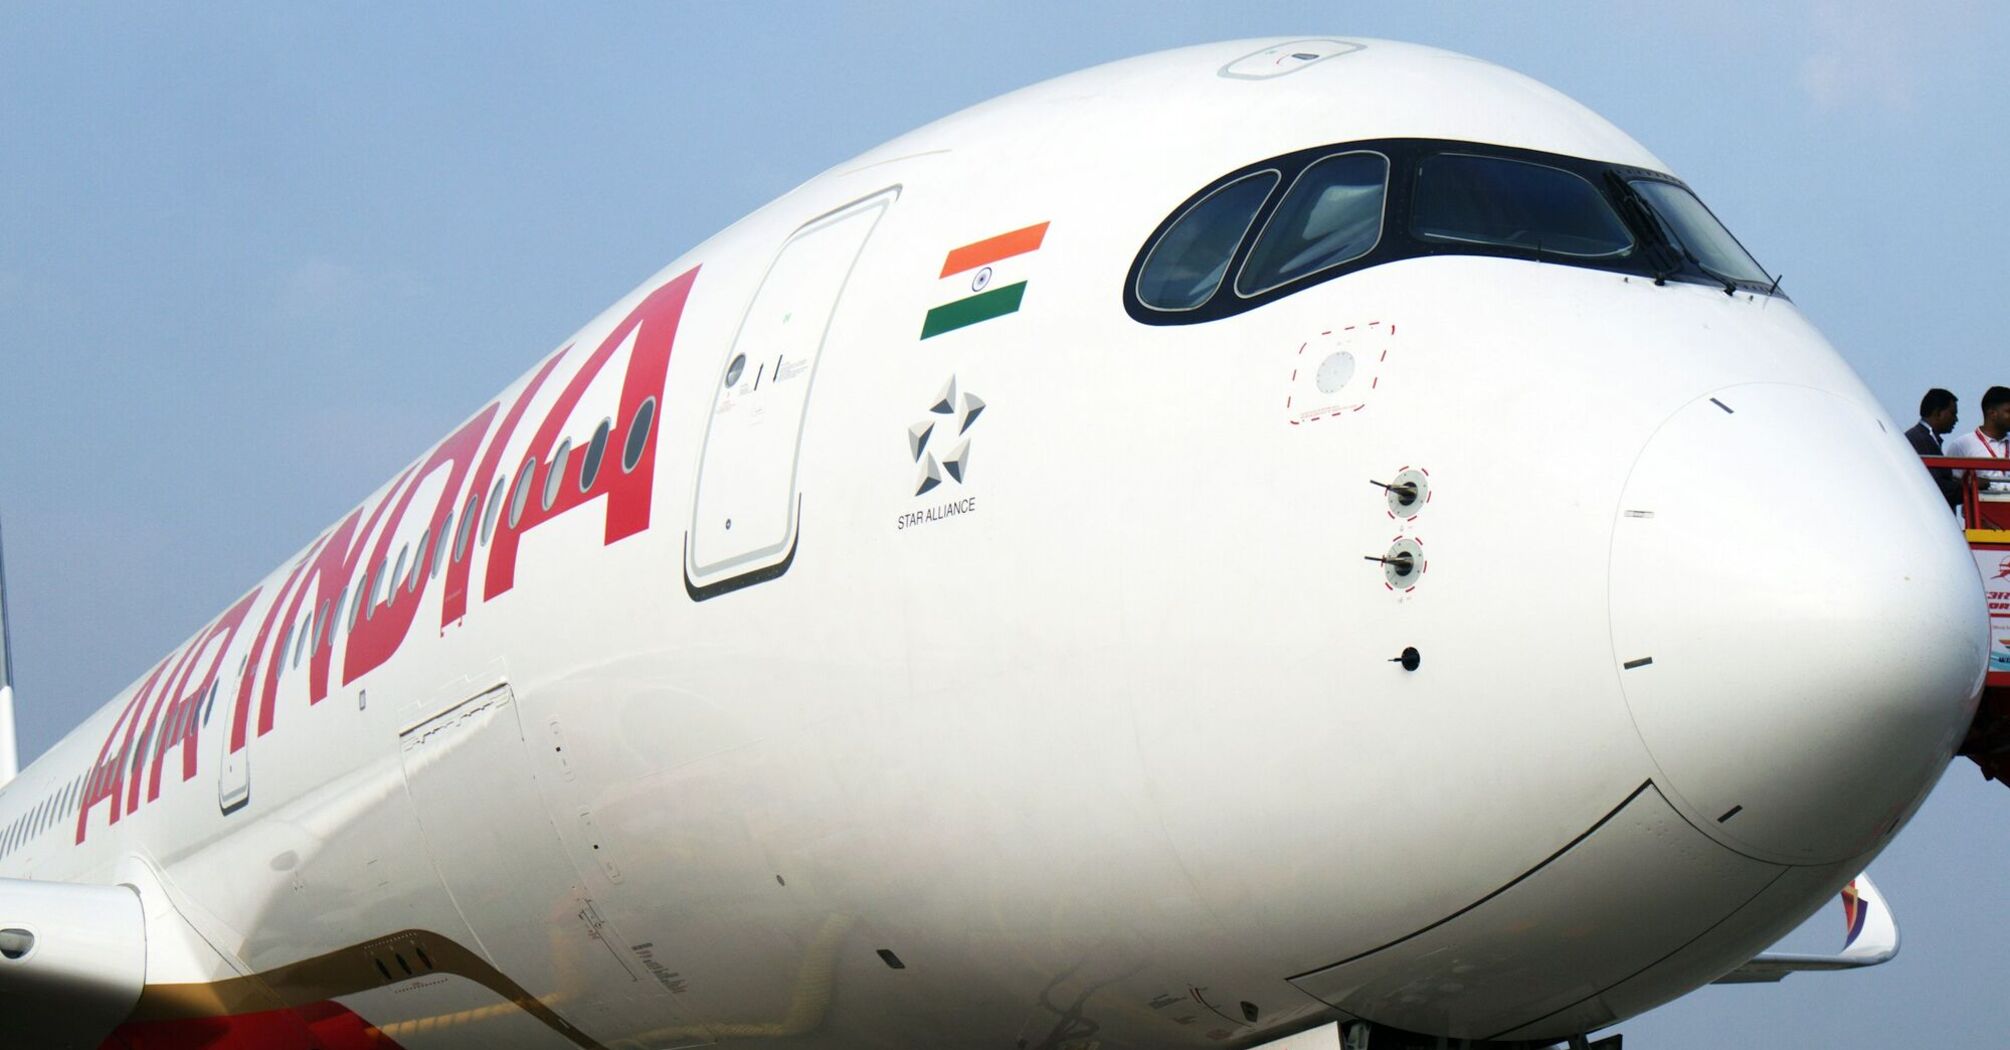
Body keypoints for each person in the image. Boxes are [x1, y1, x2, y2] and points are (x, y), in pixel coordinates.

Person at [1944, 385, 2010, 502]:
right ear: (1992, 413)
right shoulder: (1962, 445)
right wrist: (1972, 483)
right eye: (2009, 411)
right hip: (1981, 511)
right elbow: (1950, 486)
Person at [1904, 388, 1961, 509]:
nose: (1956, 419)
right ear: (1938, 413)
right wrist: (1969, 486)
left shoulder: (1921, 436)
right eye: (1953, 413)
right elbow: (1936, 486)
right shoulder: (1920, 439)